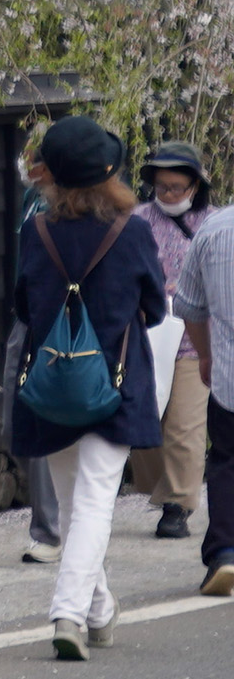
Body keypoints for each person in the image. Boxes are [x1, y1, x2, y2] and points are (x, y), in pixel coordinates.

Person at [10, 115, 168, 658]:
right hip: (114, 384)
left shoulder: (37, 231)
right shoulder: (134, 231)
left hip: (50, 387)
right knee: (96, 503)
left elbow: (24, 307)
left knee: (76, 503)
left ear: (51, 176)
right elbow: (155, 308)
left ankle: (97, 609)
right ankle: (69, 612)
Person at [131, 146, 210, 542]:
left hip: (195, 336)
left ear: (195, 185)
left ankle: (177, 505)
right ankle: (161, 490)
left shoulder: (213, 223)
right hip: (147, 333)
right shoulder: (136, 220)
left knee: (185, 423)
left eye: (177, 187)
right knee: (147, 419)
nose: (168, 194)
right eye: (162, 187)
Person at [167, 152, 234, 597]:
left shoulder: (215, 228)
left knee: (228, 462)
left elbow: (187, 304)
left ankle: (226, 554)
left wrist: (207, 355)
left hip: (230, 377)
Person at [12, 136, 69, 564]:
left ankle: (53, 531)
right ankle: (51, 526)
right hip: (28, 319)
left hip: (65, 325)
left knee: (51, 423)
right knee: (20, 419)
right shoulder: (32, 204)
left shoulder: (67, 211)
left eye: (36, 163)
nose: (28, 169)